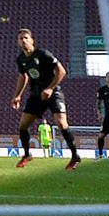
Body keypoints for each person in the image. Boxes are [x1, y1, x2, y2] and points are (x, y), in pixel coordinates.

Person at [11, 28, 81, 169]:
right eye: (21, 39)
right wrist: (17, 95)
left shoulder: (43, 54)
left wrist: (50, 88)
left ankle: (75, 156)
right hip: (36, 94)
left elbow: (61, 71)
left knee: (61, 123)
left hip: (53, 92)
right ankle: (26, 155)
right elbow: (23, 76)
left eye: (26, 38)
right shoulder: (21, 59)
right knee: (23, 125)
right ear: (18, 42)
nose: (23, 41)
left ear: (32, 40)